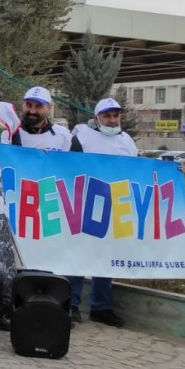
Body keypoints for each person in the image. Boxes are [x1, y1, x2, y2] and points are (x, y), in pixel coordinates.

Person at [66, 98, 138, 328]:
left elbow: (138, 171)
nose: (112, 119)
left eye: (116, 115)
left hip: (116, 203)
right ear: (97, 117)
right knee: (80, 254)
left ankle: (101, 307)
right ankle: (71, 304)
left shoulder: (127, 141)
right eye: (107, 115)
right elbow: (70, 166)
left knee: (106, 255)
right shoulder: (81, 137)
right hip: (86, 202)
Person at [13, 86, 72, 151]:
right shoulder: (11, 132)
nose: (32, 111)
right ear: (23, 105)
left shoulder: (63, 134)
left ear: (49, 108)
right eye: (28, 105)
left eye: (39, 106)